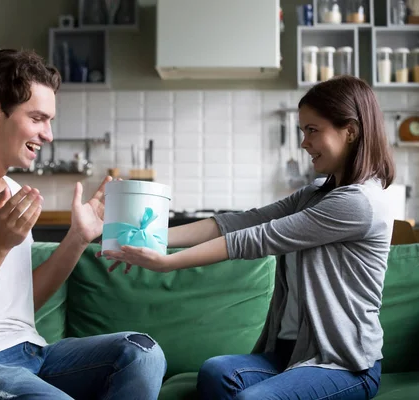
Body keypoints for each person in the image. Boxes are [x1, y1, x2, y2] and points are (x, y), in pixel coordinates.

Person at [0, 49, 166, 400]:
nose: (48, 134)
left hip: (31, 353)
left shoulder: (13, 192)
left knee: (141, 352)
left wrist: (78, 238)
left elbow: (19, 301)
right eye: (38, 118)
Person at [103, 75, 395, 400]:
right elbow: (241, 222)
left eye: (312, 130)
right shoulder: (314, 194)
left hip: (344, 365)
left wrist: (167, 263)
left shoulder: (360, 203)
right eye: (303, 131)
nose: (303, 142)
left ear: (350, 131)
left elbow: (259, 237)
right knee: (216, 371)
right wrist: (149, 238)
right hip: (288, 356)